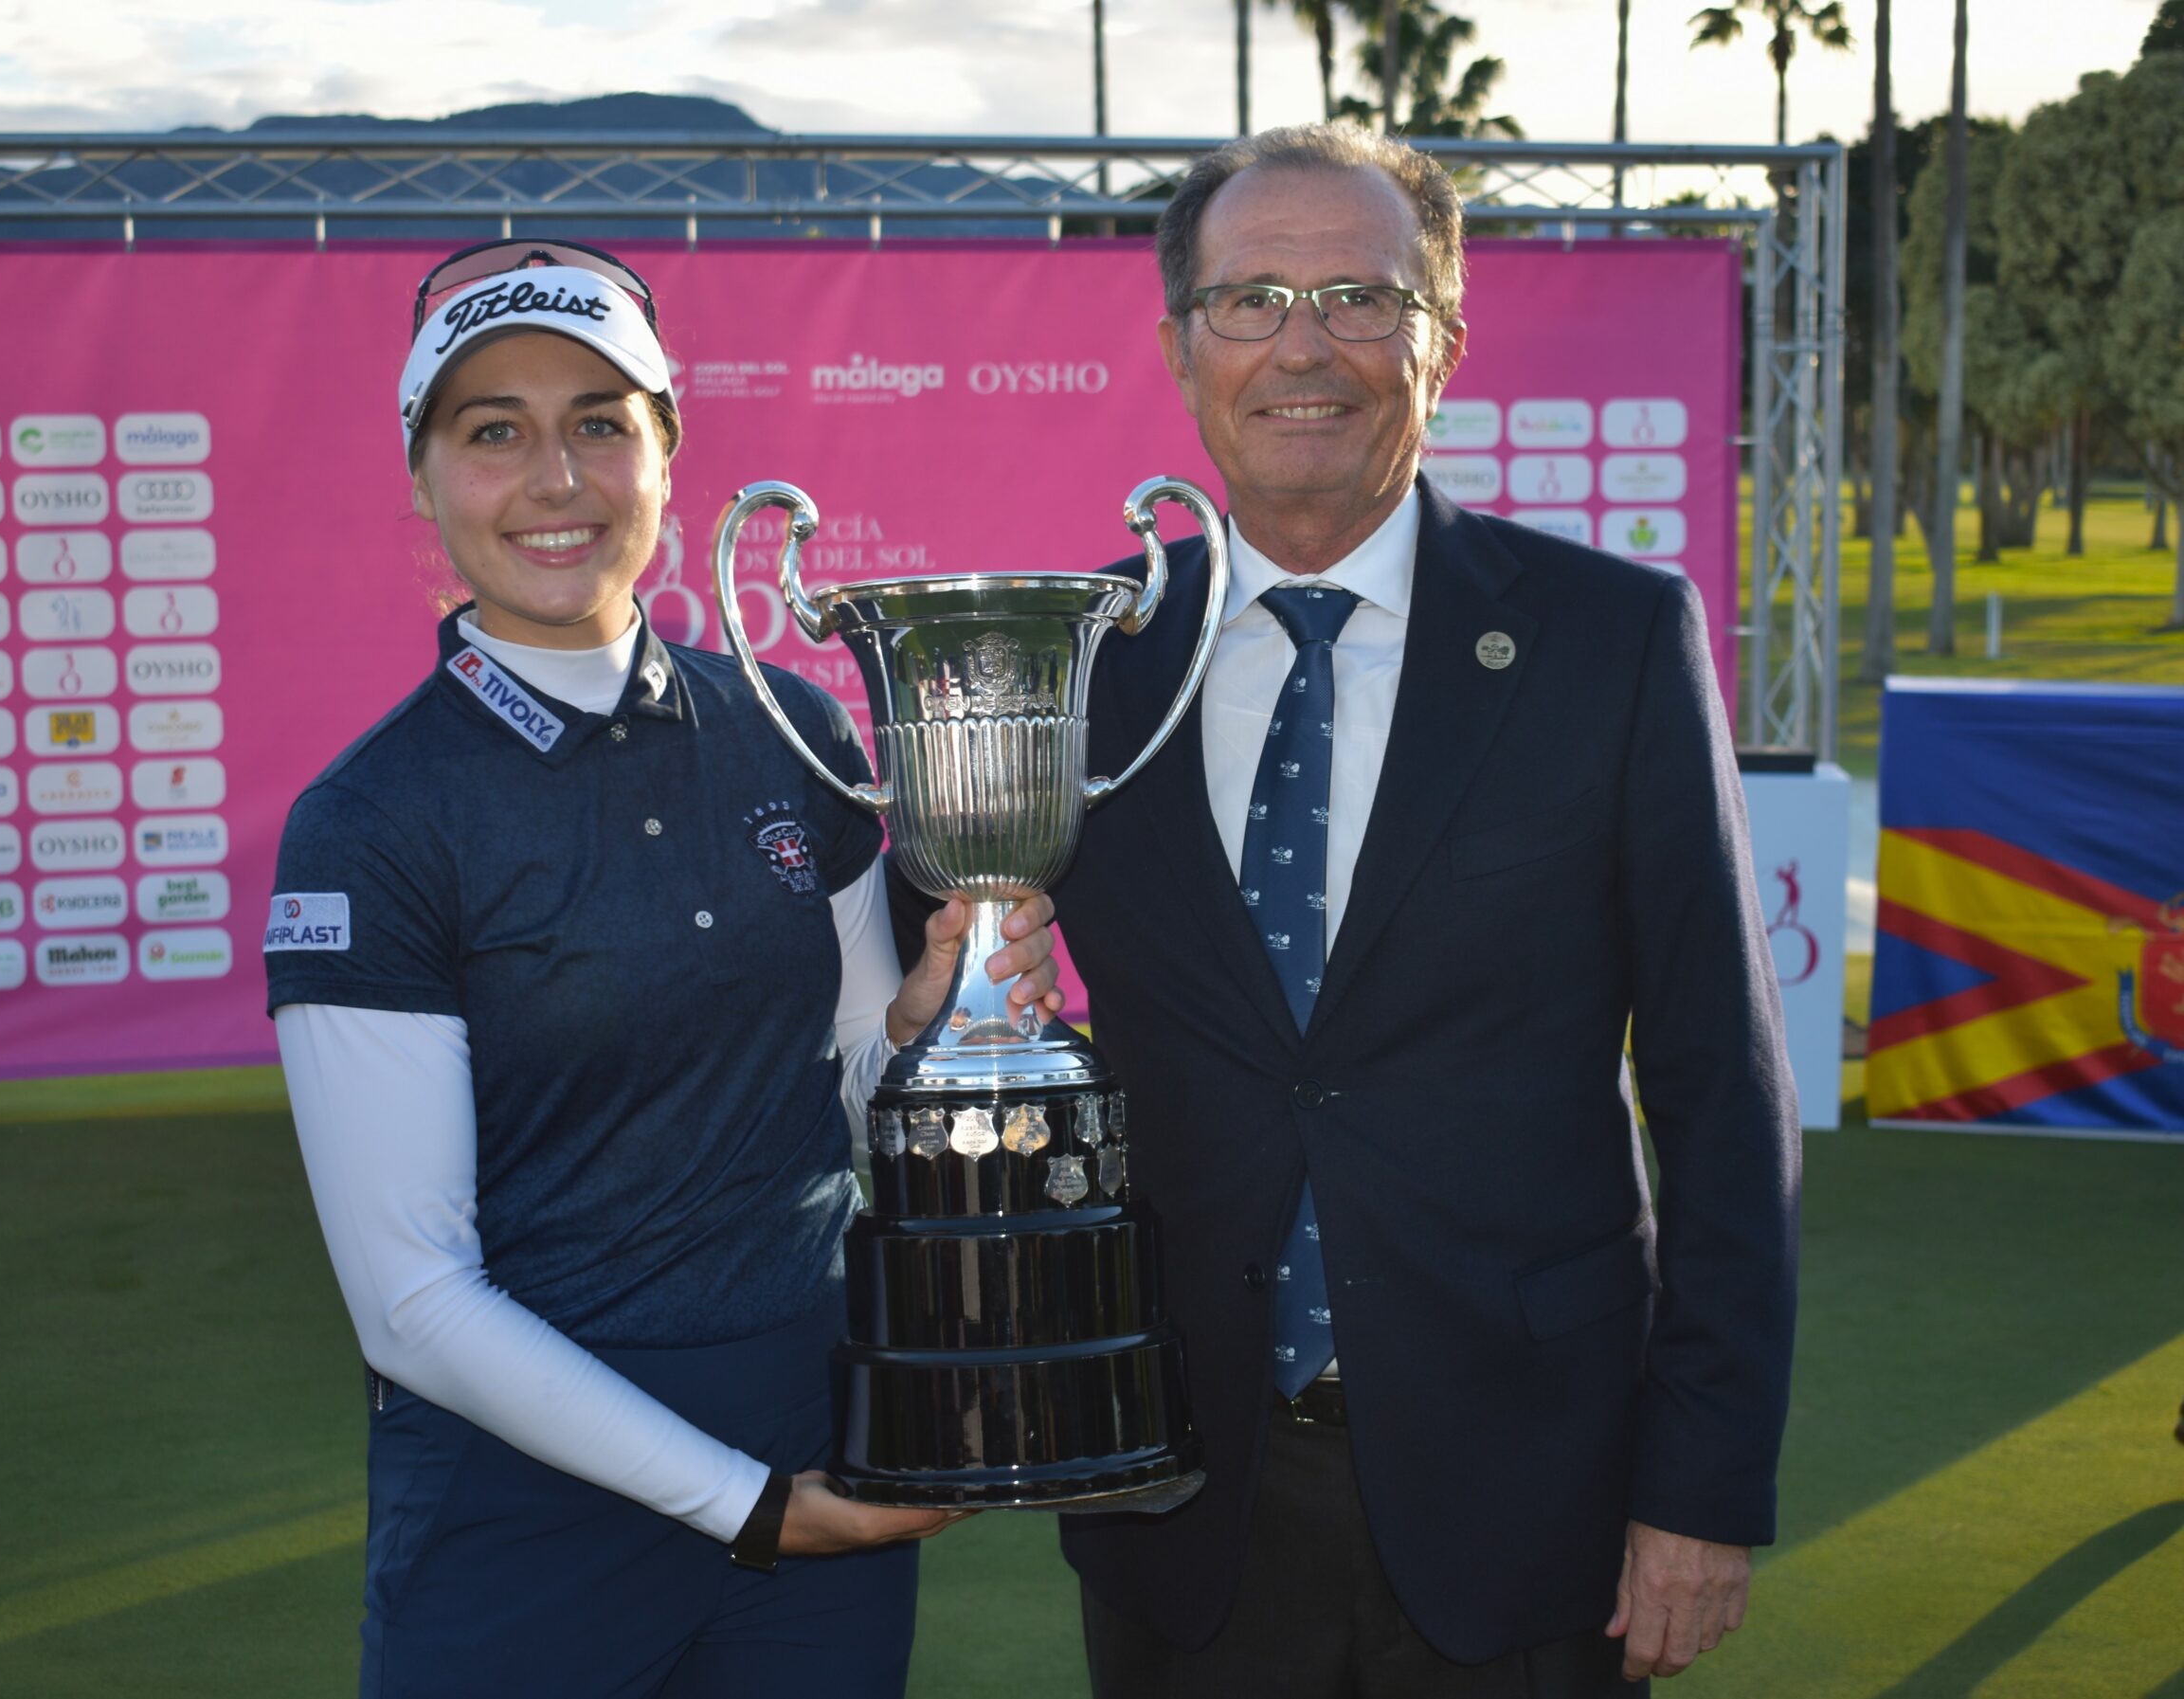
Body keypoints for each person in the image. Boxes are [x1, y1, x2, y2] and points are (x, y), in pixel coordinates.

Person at [1044, 125, 1801, 1695]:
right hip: (1178, 1507)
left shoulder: (1612, 642)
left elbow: (1724, 1094)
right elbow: (943, 983)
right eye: (1250, 299)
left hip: (1537, 1506)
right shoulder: (1079, 669)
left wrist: (1701, 1487)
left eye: (1360, 298)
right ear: (1184, 351)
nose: (1303, 347)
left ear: (1443, 343)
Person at [264, 238, 1062, 1699]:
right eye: (491, 429)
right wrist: (748, 1502)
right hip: (529, 1502)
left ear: (669, 455)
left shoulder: (796, 737)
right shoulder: (370, 821)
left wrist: (943, 1019)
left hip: (817, 1434)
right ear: (424, 473)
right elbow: (411, 1300)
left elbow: (862, 1084)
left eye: (599, 422)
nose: (553, 476)